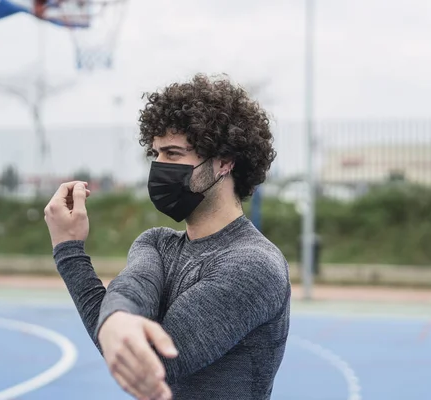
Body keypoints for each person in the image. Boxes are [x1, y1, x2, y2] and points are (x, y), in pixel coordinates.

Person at [44, 74, 291, 400]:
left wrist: (71, 257)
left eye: (173, 154)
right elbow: (131, 291)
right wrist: (70, 247)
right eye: (155, 154)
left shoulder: (254, 264)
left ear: (224, 162)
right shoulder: (156, 242)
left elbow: (150, 359)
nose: (159, 166)